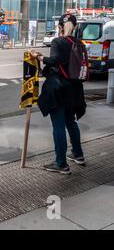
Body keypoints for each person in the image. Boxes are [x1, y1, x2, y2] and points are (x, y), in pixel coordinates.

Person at [30, 13, 86, 175]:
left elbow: (55, 60)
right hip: (74, 90)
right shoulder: (79, 43)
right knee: (71, 122)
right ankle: (78, 154)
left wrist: (39, 57)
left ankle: (61, 163)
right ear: (74, 27)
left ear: (60, 26)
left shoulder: (58, 41)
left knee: (59, 126)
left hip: (59, 89)